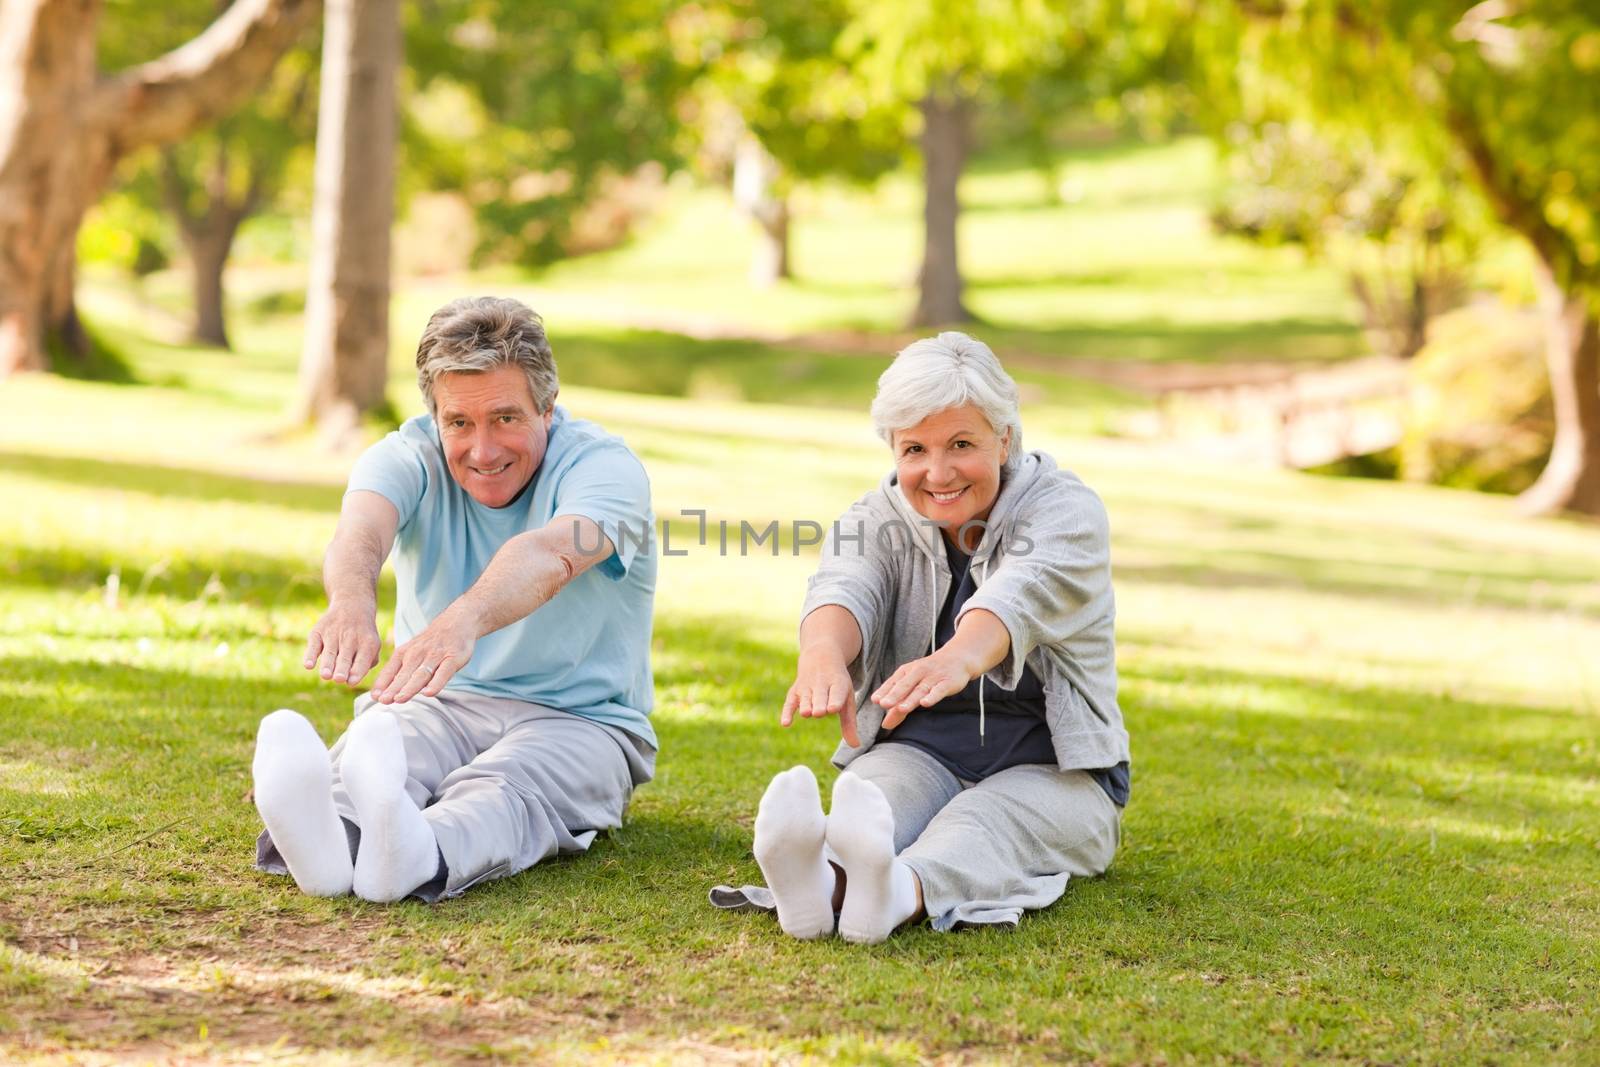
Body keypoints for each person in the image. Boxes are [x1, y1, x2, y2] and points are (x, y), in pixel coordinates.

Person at [714, 332, 1129, 942]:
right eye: (915, 449)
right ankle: (819, 885)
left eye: (962, 444)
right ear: (892, 449)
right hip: (920, 749)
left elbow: (1023, 592)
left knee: (981, 823)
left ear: (1005, 438)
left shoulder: (1066, 513)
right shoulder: (873, 517)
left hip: (1059, 774)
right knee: (877, 802)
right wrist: (822, 655)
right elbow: (844, 585)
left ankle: (896, 896)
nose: (938, 473)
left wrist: (958, 658)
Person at [251, 296, 656, 903]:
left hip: (582, 720)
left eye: (506, 419)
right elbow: (360, 531)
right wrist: (352, 602)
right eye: (459, 423)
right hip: (437, 701)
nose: (483, 450)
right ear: (435, 415)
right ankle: (331, 843)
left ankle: (415, 851)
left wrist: (462, 621)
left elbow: (550, 553)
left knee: (507, 785)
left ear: (547, 407)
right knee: (388, 749)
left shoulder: (605, 470)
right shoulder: (406, 454)